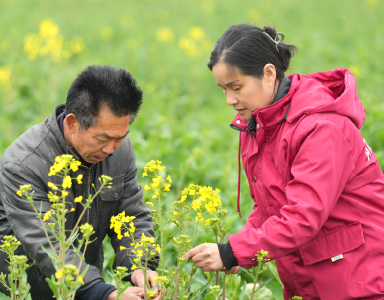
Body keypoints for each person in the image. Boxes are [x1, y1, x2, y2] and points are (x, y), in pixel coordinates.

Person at [183, 23, 384, 300]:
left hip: (358, 279)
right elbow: (270, 207)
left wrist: (233, 252)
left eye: (236, 87)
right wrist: (235, 250)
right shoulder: (259, 121)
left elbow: (302, 217)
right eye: (222, 89)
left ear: (268, 74)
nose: (229, 99)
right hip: (309, 276)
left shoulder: (321, 128)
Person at [0, 65, 160, 300]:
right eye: (102, 138)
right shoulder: (24, 164)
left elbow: (132, 215)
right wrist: (106, 294)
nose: (110, 149)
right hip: (22, 291)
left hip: (84, 288)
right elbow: (46, 244)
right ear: (73, 122)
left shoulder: (120, 150)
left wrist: (140, 267)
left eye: (120, 137)